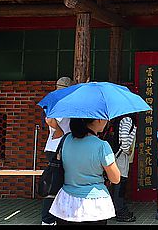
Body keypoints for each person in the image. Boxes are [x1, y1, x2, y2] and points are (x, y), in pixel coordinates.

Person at [48, 117, 121, 224]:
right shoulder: (102, 146)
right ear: (98, 120)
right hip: (94, 206)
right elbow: (115, 179)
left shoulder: (66, 140)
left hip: (65, 203)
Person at [41, 76, 73, 225]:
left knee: (57, 185)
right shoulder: (61, 102)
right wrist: (60, 132)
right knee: (55, 186)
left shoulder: (53, 100)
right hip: (58, 149)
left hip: (54, 147)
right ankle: (48, 220)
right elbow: (51, 120)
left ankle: (53, 218)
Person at [110, 113, 137, 222]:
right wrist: (127, 149)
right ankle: (120, 211)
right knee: (120, 183)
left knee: (118, 183)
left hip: (118, 153)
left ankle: (118, 208)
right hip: (121, 155)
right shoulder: (127, 120)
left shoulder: (119, 119)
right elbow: (124, 138)